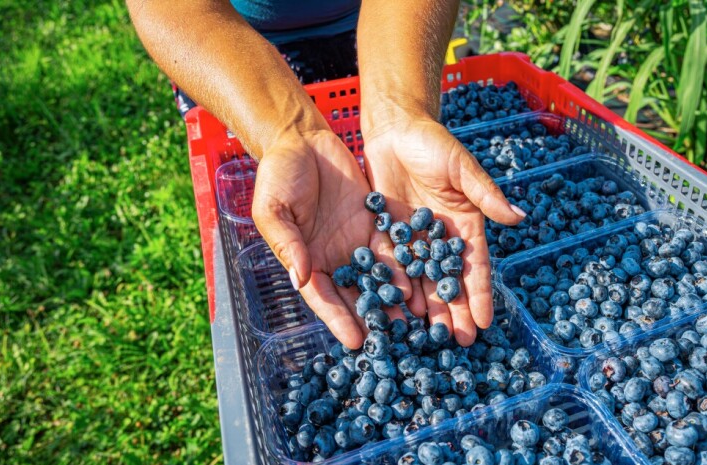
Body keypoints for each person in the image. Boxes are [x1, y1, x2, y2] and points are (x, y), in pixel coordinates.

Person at [127, 0, 526, 350]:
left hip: (394, 32)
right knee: (280, 248)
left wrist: (399, 111)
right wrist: (287, 133)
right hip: (225, 55)